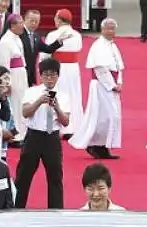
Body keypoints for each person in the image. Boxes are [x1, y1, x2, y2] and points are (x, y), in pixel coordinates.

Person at [14, 58, 70, 209]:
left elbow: (66, 122)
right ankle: (16, 207)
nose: (49, 79)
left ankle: (56, 211)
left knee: (55, 177)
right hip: (34, 136)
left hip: (52, 138)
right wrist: (39, 101)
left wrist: (57, 107)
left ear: (58, 76)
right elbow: (25, 113)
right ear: (41, 76)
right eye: (46, 75)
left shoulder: (64, 96)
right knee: (24, 175)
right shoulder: (32, 92)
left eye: (53, 75)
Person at [69, 19, 124, 160]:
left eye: (113, 28)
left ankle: (103, 146)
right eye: (108, 28)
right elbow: (100, 69)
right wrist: (112, 85)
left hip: (111, 85)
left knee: (112, 117)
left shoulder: (112, 46)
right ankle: (93, 144)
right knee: (103, 117)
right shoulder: (98, 46)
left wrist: (119, 82)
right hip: (102, 85)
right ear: (102, 29)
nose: (111, 31)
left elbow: (119, 67)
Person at [43, 10, 82, 138]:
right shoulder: (77, 35)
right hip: (73, 69)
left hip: (58, 68)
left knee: (56, 94)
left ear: (59, 20)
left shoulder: (53, 34)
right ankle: (74, 126)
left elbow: (46, 54)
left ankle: (54, 126)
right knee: (73, 95)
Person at [0, 14, 29, 143]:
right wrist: (6, 83)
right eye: (20, 23)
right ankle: (16, 132)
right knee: (15, 104)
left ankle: (23, 130)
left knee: (22, 102)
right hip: (13, 76)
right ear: (13, 25)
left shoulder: (17, 39)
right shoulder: (5, 41)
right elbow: (3, 64)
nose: (23, 26)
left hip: (21, 75)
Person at [21, 10, 65, 87]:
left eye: (36, 21)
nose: (34, 24)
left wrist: (59, 41)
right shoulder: (19, 33)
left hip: (31, 73)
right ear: (25, 19)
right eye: (32, 21)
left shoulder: (36, 36)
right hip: (19, 72)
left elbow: (47, 49)